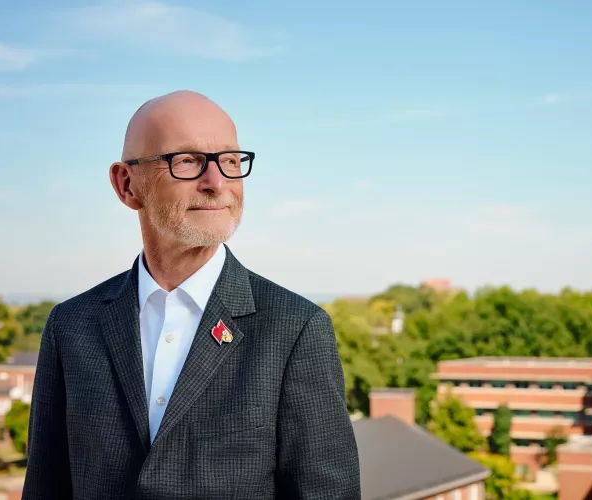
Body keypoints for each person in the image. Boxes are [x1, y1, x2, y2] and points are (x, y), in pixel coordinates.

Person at [22, 91, 361, 499]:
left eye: (231, 161)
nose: (216, 183)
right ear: (126, 184)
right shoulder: (71, 326)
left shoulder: (294, 329)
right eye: (187, 161)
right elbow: (45, 486)